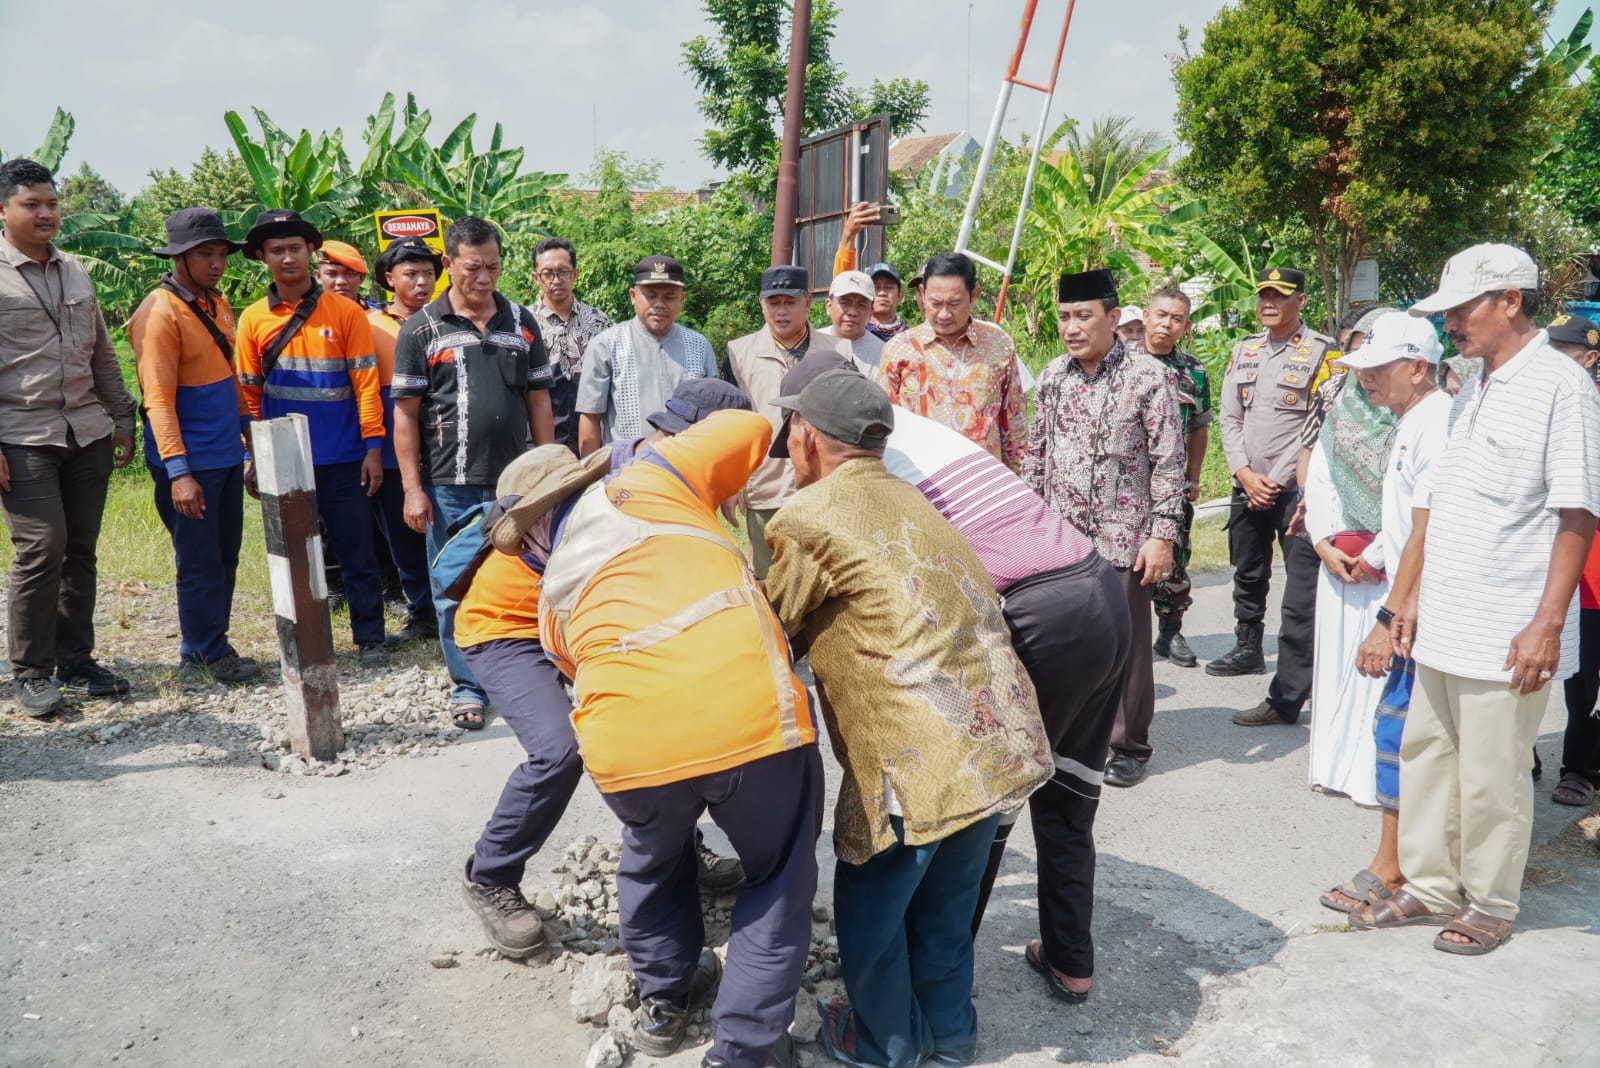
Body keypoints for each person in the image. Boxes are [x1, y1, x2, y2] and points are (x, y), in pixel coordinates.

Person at [773, 351, 1128, 1007]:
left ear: (809, 428)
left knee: (978, 794)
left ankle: (933, 978)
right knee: (1068, 794)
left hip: (1032, 608)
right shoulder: (907, 430)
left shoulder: (867, 469)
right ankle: (1070, 958)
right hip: (1094, 589)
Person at [764, 369, 1050, 1068]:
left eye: (791, 432)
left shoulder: (805, 518)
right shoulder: (920, 500)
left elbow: (769, 627)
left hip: (913, 761)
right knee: (946, 911)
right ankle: (951, 1039)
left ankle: (886, 1045)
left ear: (806, 435)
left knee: (871, 908)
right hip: (995, 743)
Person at [522, 410, 822, 1068]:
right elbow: (746, 427)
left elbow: (577, 671)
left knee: (654, 854)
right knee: (775, 872)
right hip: (751, 718)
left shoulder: (551, 594)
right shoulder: (647, 480)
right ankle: (746, 1052)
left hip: (631, 749)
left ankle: (667, 999)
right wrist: (662, 455)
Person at [1351, 244, 1600, 955]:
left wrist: (1547, 624)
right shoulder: (1472, 387)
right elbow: (1448, 508)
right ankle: (1431, 887)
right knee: (1429, 757)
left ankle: (1491, 900)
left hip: (1509, 623)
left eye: (1461, 309)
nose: (1452, 323)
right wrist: (1412, 599)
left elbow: (1578, 513)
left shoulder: (1561, 386)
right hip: (1446, 619)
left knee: (1492, 776)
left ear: (1510, 301)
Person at [453, 382, 755, 964]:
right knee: (562, 750)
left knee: (667, 723)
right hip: (510, 626)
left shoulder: (675, 470)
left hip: (577, 619)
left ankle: (679, 849)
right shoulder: (634, 481)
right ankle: (490, 874)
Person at [392, 216, 554, 728]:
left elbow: (538, 400)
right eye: (473, 268)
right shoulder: (421, 329)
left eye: (493, 267)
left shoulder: (521, 323)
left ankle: (526, 676)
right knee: (452, 585)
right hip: (448, 486)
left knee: (527, 578)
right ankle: (468, 687)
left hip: (514, 485)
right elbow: (404, 414)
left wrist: (549, 474)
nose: (484, 278)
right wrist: (413, 490)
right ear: (448, 264)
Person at [1024, 269, 1184, 790]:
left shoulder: (1146, 377)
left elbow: (1169, 461)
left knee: (1128, 646)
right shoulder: (1051, 377)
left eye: (1083, 316)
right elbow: (1035, 458)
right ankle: (1067, 736)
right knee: (1065, 642)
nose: (1072, 327)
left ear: (1113, 319)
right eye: (1065, 316)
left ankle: (1127, 744)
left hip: (1125, 540)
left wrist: (1163, 533)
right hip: (1060, 542)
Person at [1318, 313, 1450, 915]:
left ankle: (1395, 867)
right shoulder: (1409, 421)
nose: (1365, 379)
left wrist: (1388, 615)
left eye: (1377, 369)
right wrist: (1370, 553)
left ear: (1417, 368)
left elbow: (1429, 529)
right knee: (1403, 736)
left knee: (1401, 735)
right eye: (1361, 368)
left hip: (1419, 613)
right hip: (1408, 601)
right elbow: (1403, 526)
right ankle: (1404, 861)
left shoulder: (1434, 423)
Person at [0, 158, 137, 714]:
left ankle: (76, 659)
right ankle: (31, 671)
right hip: (21, 435)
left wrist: (122, 416)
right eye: (32, 204)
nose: (46, 213)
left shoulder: (75, 270)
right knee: (41, 547)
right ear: (3, 210)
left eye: (52, 203)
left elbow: (102, 352)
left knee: (80, 549)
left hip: (86, 431)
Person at [236, 209, 390, 670]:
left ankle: (371, 639)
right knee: (295, 558)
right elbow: (248, 394)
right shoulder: (252, 320)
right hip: (284, 461)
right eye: (277, 251)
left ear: (310, 254)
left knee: (357, 551)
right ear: (263, 257)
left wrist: (373, 449)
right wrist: (253, 456)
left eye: (296, 249)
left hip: (344, 457)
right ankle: (307, 640)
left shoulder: (345, 313)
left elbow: (365, 384)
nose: (288, 258)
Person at [128, 208, 259, 685]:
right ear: (180, 256)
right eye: (206, 254)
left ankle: (215, 643)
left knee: (225, 555)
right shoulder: (159, 311)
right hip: (189, 461)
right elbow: (157, 401)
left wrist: (250, 446)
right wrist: (179, 472)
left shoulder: (215, 303)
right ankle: (200, 654)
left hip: (224, 453)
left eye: (222, 253)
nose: (218, 262)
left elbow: (233, 384)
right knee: (200, 560)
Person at [1212, 268, 1337, 739]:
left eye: (1279, 296)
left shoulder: (1324, 353)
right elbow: (1229, 416)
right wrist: (1245, 473)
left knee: (1300, 595)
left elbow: (1319, 424)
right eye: (1263, 295)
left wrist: (1278, 478)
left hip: (1297, 492)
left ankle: (1287, 696)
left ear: (1300, 301)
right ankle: (1247, 648)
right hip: (1248, 483)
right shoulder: (1243, 349)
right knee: (1246, 570)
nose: (1269, 303)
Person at [1299, 319, 1406, 807]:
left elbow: (1413, 504)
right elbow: (1318, 477)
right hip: (1337, 563)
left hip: (1388, 569)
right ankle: (1331, 766)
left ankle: (1370, 776)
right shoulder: (1338, 410)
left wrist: (1375, 554)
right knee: (1336, 660)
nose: (1364, 376)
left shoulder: (1413, 420)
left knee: (1378, 668)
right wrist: (1321, 541)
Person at [724, 265, 848, 577]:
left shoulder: (838, 350)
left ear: (808, 302)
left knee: (826, 575)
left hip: (826, 485)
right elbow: (731, 423)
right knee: (771, 578)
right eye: (773, 302)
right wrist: (730, 483)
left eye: (789, 302)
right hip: (766, 483)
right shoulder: (739, 353)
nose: (781, 311)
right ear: (761, 304)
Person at [876, 253, 1027, 472]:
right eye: (935, 303)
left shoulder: (999, 345)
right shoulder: (899, 349)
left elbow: (1014, 424)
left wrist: (1018, 481)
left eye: (954, 304)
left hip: (983, 481)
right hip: (920, 481)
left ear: (974, 296)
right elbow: (884, 426)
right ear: (922, 294)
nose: (944, 314)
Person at [366, 236, 444, 645]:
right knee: (403, 532)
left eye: (429, 274)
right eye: (411, 273)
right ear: (389, 278)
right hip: (394, 447)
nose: (421, 282)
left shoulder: (446, 320)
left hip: (444, 446)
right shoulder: (371, 325)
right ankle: (421, 612)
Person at [1543, 313, 1600, 808]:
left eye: (1563, 353)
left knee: (1586, 682)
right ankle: (1523, 756)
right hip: (1545, 566)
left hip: (1594, 572)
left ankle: (1580, 767)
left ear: (1590, 358)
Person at [575, 256, 715, 456]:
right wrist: (590, 479)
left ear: (681, 299)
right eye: (650, 295)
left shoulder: (699, 346)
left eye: (669, 297)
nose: (659, 304)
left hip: (688, 470)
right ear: (633, 296)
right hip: (626, 471)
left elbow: (714, 419)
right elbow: (590, 417)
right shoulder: (607, 345)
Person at [1143, 288, 1212, 668]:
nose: (1167, 324)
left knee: (1176, 555)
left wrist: (1195, 477)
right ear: (1146, 315)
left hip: (1172, 484)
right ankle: (1128, 633)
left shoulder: (1194, 371)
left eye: (1177, 319)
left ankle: (1170, 633)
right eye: (1162, 315)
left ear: (1185, 326)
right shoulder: (1120, 363)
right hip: (1128, 484)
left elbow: (1199, 427)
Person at [530, 237, 613, 453]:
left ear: (575, 274)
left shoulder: (598, 322)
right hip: (539, 440)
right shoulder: (523, 323)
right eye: (548, 273)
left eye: (563, 272)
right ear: (536, 278)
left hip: (591, 438)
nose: (556, 280)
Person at [829, 201, 908, 342]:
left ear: (900, 296)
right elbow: (842, 281)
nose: (882, 292)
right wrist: (849, 234)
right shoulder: (854, 328)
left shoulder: (910, 338)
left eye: (889, 287)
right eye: (876, 287)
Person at [819, 269, 885, 371]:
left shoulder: (883, 354)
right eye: (845, 303)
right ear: (829, 306)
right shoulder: (810, 345)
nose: (852, 312)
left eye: (861, 305)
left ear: (871, 311)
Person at [314, 241, 372, 306]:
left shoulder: (378, 315)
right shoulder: (309, 315)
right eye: (332, 274)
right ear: (318, 277)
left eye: (349, 274)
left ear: (361, 277)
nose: (341, 281)